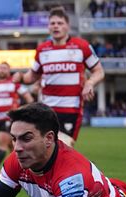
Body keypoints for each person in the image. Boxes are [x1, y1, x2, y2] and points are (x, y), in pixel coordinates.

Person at [18, 7, 105, 146]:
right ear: (48, 27)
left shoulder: (81, 46)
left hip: (71, 108)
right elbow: (32, 76)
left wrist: (90, 83)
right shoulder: (42, 49)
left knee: (63, 148)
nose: (56, 26)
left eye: (60, 23)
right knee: (43, 149)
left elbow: (99, 71)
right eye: (52, 23)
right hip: (46, 109)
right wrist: (21, 78)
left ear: (67, 26)